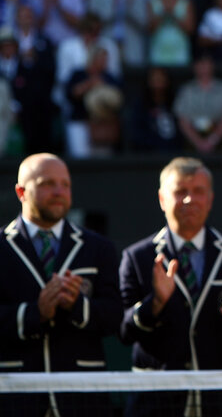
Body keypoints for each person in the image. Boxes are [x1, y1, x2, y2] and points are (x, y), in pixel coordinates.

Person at [119, 157, 222, 417]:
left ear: (210, 199)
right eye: (180, 192)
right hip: (157, 403)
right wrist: (156, 303)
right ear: (162, 199)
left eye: (198, 191)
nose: (189, 200)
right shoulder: (137, 257)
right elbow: (124, 331)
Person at [0, 153, 121, 415]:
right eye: (47, 184)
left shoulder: (98, 248)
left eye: (65, 185)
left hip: (82, 398)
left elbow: (113, 316)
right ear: (21, 191)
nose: (59, 192)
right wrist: (35, 313)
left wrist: (77, 305)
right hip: (16, 397)